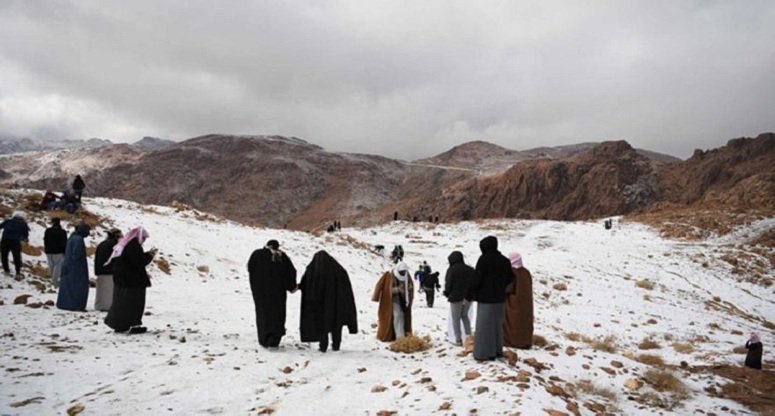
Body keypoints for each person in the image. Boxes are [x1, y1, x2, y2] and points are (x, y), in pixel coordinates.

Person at [298, 250, 358, 352]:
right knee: (336, 324)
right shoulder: (338, 270)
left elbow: (305, 284)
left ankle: (323, 345)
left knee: (322, 324)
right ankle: (336, 345)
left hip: (319, 305)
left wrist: (298, 287)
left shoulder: (313, 269)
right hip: (336, 305)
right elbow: (346, 288)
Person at [104, 226, 158, 334]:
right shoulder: (133, 246)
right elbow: (138, 262)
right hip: (132, 281)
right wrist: (149, 256)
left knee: (121, 304)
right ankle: (134, 325)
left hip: (122, 280)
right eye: (143, 238)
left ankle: (120, 325)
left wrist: (147, 255)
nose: (143, 241)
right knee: (134, 304)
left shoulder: (124, 245)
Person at [247, 240, 298, 350]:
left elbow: (250, 268)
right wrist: (292, 287)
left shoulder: (256, 254)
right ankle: (274, 341)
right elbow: (291, 272)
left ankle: (263, 339)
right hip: (277, 293)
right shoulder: (281, 256)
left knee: (263, 314)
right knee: (277, 315)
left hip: (260, 292)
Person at [469, 236, 512, 361]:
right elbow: (509, 278)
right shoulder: (505, 260)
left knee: (484, 325)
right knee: (497, 325)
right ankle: (497, 350)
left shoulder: (484, 259)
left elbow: (477, 279)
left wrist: (471, 293)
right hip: (500, 298)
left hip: (485, 298)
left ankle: (483, 353)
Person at [372, 261, 414, 341]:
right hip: (391, 301)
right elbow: (385, 288)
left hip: (403, 300)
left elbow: (409, 285)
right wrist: (397, 289)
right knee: (398, 315)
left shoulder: (407, 276)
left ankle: (401, 335)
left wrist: (409, 288)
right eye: (401, 272)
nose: (403, 273)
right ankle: (400, 337)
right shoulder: (389, 275)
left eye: (404, 271)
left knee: (402, 316)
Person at [56, 223, 91, 311]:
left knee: (67, 286)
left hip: (67, 265)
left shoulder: (72, 237)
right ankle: (76, 305)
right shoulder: (78, 239)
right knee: (77, 287)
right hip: (76, 268)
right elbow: (77, 255)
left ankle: (65, 304)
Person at [443, 251, 475, 345]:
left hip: (456, 297)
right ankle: (469, 337)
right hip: (468, 297)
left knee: (455, 318)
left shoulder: (452, 270)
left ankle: (458, 339)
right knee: (465, 316)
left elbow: (448, 284)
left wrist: (447, 293)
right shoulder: (470, 269)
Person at [503, 252, 534, 349]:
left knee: (512, 323)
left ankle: (512, 341)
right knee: (524, 323)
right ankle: (525, 341)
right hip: (526, 304)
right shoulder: (526, 272)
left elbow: (509, 288)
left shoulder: (513, 273)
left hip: (514, 304)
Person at [94, 228, 122, 311]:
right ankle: (110, 307)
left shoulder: (102, 244)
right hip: (111, 271)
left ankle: (100, 306)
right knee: (110, 292)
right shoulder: (116, 245)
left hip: (100, 271)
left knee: (102, 292)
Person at [0, 211, 30, 277]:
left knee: (4, 255)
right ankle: (18, 272)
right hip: (15, 242)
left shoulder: (8, 221)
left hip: (5, 240)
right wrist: (23, 239)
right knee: (16, 257)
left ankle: (6, 270)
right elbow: (26, 235)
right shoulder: (23, 224)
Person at [43, 217, 68, 287]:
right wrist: (64, 251)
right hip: (58, 251)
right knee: (57, 266)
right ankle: (55, 281)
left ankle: (50, 280)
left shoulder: (48, 231)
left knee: (51, 265)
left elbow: (45, 240)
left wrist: (46, 249)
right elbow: (64, 242)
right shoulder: (62, 232)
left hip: (48, 251)